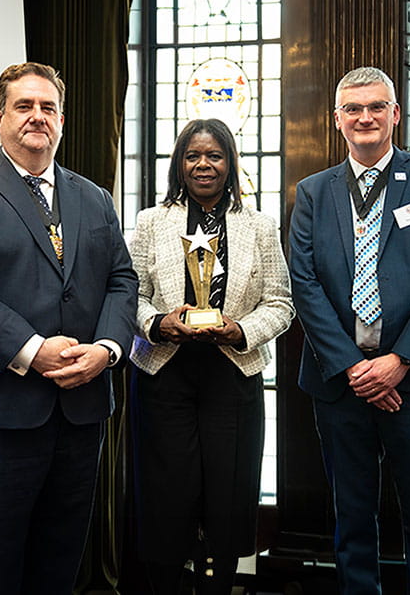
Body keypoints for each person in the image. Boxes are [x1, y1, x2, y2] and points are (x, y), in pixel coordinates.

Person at [0, 62, 138, 594]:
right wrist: (31, 350)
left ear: (62, 120)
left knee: (58, 567)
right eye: (24, 106)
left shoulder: (94, 197)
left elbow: (123, 279)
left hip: (79, 418)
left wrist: (109, 349)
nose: (37, 117)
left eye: (48, 107)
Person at [288, 66, 410, 594]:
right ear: (337, 120)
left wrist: (398, 362)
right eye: (353, 109)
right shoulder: (312, 192)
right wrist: (356, 368)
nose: (365, 117)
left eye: (376, 106)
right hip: (340, 384)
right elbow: (303, 282)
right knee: (352, 521)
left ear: (395, 114)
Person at [128, 118, 294, 594]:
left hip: (233, 374)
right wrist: (158, 323)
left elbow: (281, 302)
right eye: (193, 156)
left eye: (215, 156)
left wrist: (240, 330)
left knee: (228, 493)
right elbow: (129, 294)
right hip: (163, 373)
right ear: (179, 164)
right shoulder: (149, 223)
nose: (204, 165)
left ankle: (222, 586)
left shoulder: (259, 227)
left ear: (230, 163)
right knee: (166, 495)